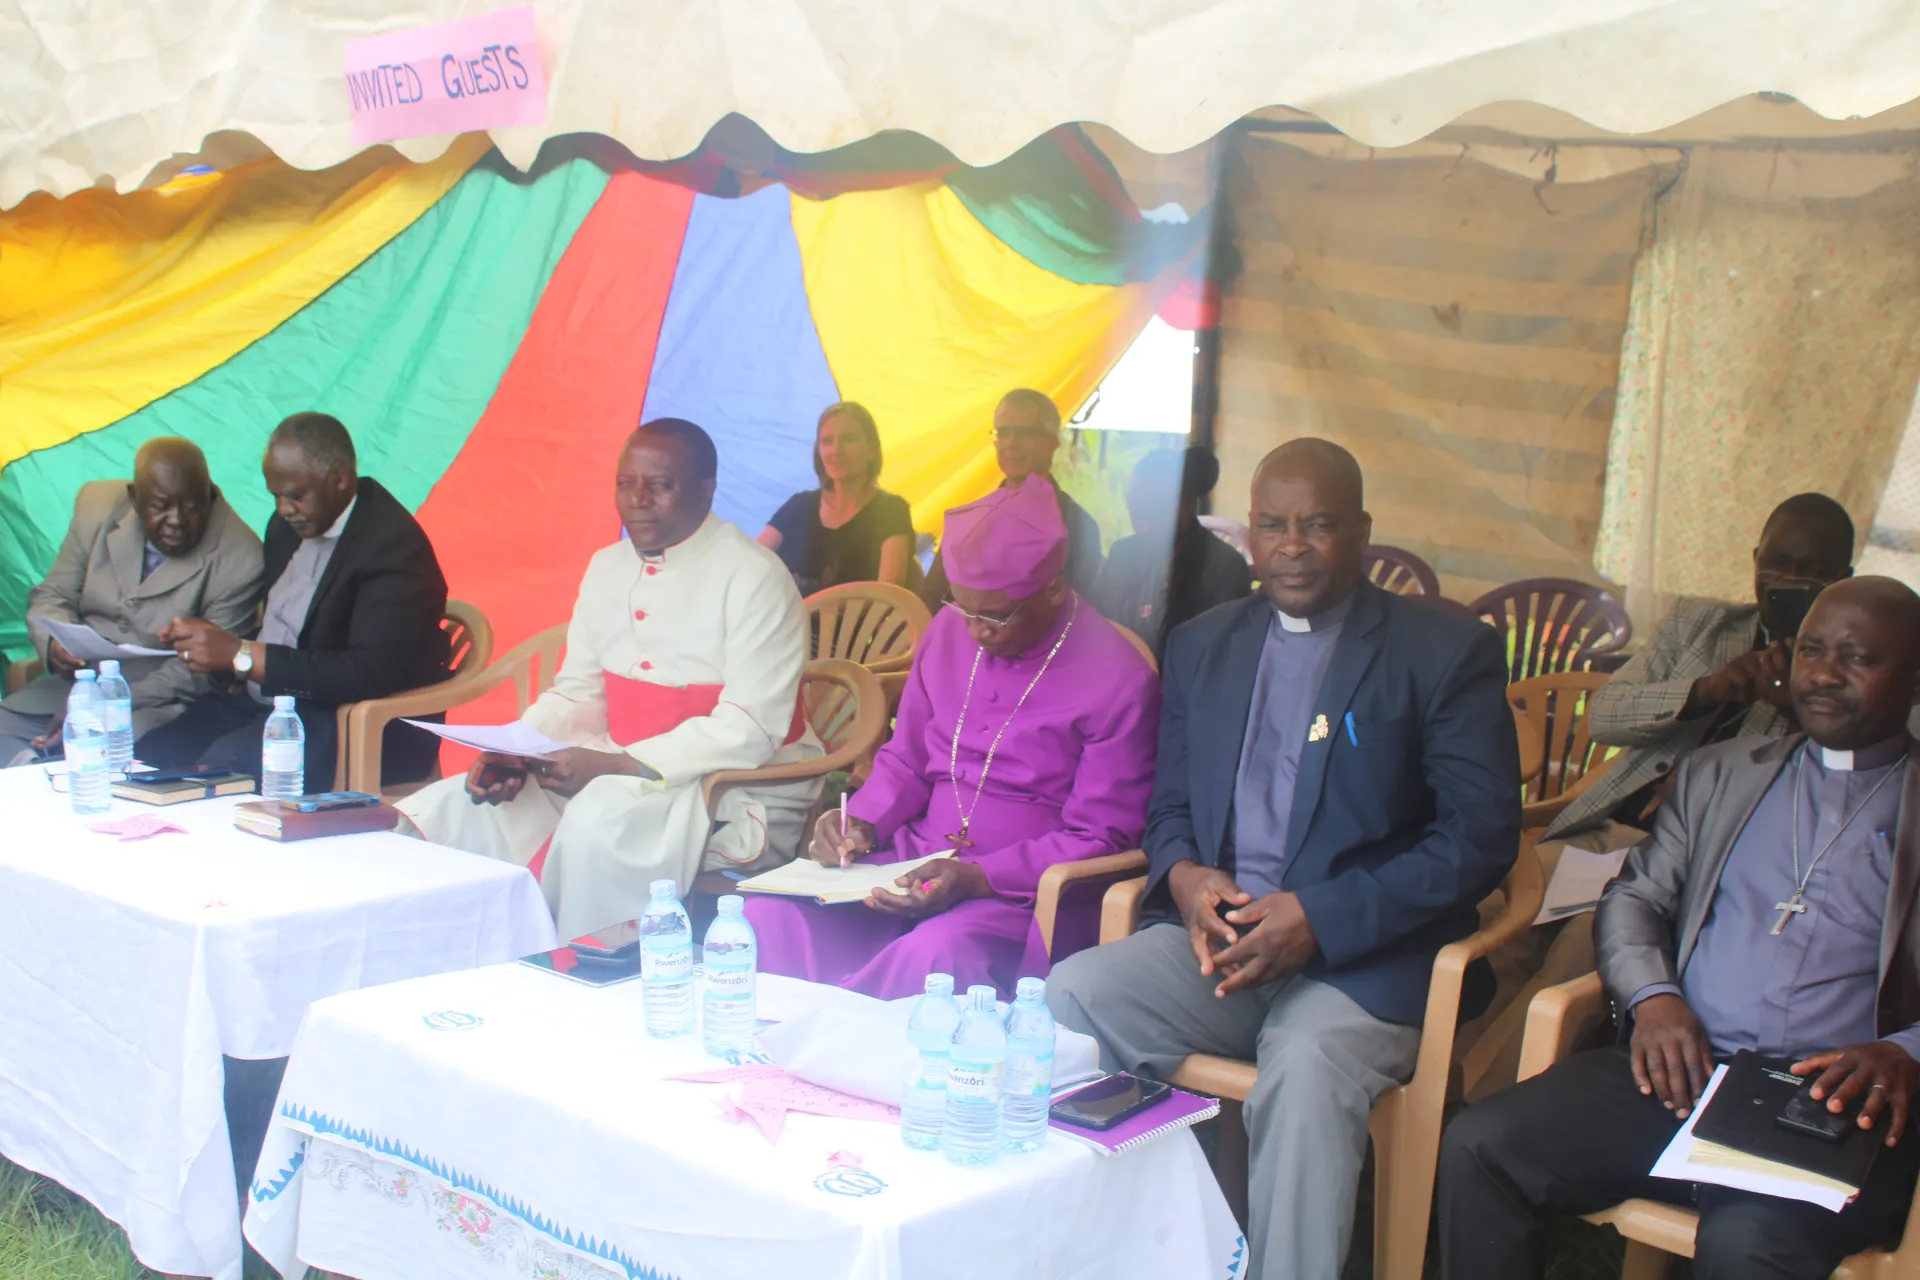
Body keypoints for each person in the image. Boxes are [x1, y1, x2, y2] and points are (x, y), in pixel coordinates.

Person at [1046, 438, 1520, 1280]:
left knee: (1302, 1071)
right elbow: (1170, 807)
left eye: (1318, 525)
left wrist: (1320, 918)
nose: (1292, 546)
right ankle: (1126, 1257)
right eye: (1272, 525)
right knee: (1073, 998)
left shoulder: (1443, 650)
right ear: (1248, 535)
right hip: (1224, 952)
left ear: (1361, 532)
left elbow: (1478, 837)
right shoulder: (1203, 644)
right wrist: (1185, 876)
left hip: (1366, 963)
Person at [1438, 576, 1920, 1280]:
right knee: (1482, 1144)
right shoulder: (1722, 774)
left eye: (1858, 658)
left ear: (1915, 680)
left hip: (1829, 1106)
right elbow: (1635, 897)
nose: (1822, 673)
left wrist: (1904, 1051)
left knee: (1746, 1243)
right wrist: (1654, 998)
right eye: (1812, 650)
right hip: (1682, 1069)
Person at [398, 419, 823, 938]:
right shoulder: (606, 567)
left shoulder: (755, 576)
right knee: (457, 807)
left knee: (599, 817)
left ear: (707, 490)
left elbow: (749, 728)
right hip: (617, 763)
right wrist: (521, 750)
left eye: (660, 485)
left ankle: (586, 965)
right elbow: (580, 692)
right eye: (626, 483)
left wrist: (616, 765)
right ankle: (475, 953)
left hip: (733, 784)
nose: (638, 500)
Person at [748, 475, 1159, 998]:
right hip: (910, 862)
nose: (974, 632)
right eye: (964, 608)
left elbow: (1100, 836)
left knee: (935, 959)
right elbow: (906, 757)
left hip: (1017, 896)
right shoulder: (948, 629)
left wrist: (978, 876)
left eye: (995, 616)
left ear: (1053, 589)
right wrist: (862, 823)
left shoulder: (1118, 677)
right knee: (767, 917)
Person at [138, 413, 450, 790]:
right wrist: (215, 651)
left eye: (295, 496)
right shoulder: (286, 528)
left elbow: (365, 674)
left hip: (347, 722)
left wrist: (243, 656)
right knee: (152, 757)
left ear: (338, 478)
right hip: (270, 703)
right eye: (275, 496)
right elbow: (282, 628)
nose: (284, 509)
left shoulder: (393, 548)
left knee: (217, 776)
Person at [1545, 492, 1857, 845]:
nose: (1790, 581)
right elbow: (1603, 718)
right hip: (1611, 831)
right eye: (1778, 563)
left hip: (1717, 856)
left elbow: (1840, 797)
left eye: (1814, 573)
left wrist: (1796, 713)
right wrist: (1703, 691)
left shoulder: (1849, 674)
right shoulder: (1697, 622)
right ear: (1756, 559)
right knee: (1521, 877)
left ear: (1843, 580)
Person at [1, 438, 262, 765]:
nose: (177, 519)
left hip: (157, 702)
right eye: (160, 506)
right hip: (71, 687)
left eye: (192, 506)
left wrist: (105, 702)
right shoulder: (95, 506)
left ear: (208, 495)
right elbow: (53, 594)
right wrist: (54, 642)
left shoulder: (242, 556)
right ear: (135, 498)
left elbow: (201, 672)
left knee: (104, 763)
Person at [918, 389, 1103, 610]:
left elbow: (1076, 612)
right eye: (1003, 433)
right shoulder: (970, 520)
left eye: (1024, 432)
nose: (1011, 443)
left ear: (1052, 443)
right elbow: (928, 602)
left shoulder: (1077, 526)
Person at [1092, 445, 1252, 656]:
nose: (1144, 527)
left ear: (1187, 503)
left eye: (1155, 514)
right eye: (1136, 512)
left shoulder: (1224, 567)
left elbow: (1221, 651)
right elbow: (1098, 626)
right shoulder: (1123, 554)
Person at [758, 402, 916, 594]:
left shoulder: (891, 510)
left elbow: (888, 593)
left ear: (872, 450)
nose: (836, 451)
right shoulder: (799, 505)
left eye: (849, 439)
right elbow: (752, 562)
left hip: (862, 614)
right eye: (827, 441)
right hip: (789, 613)